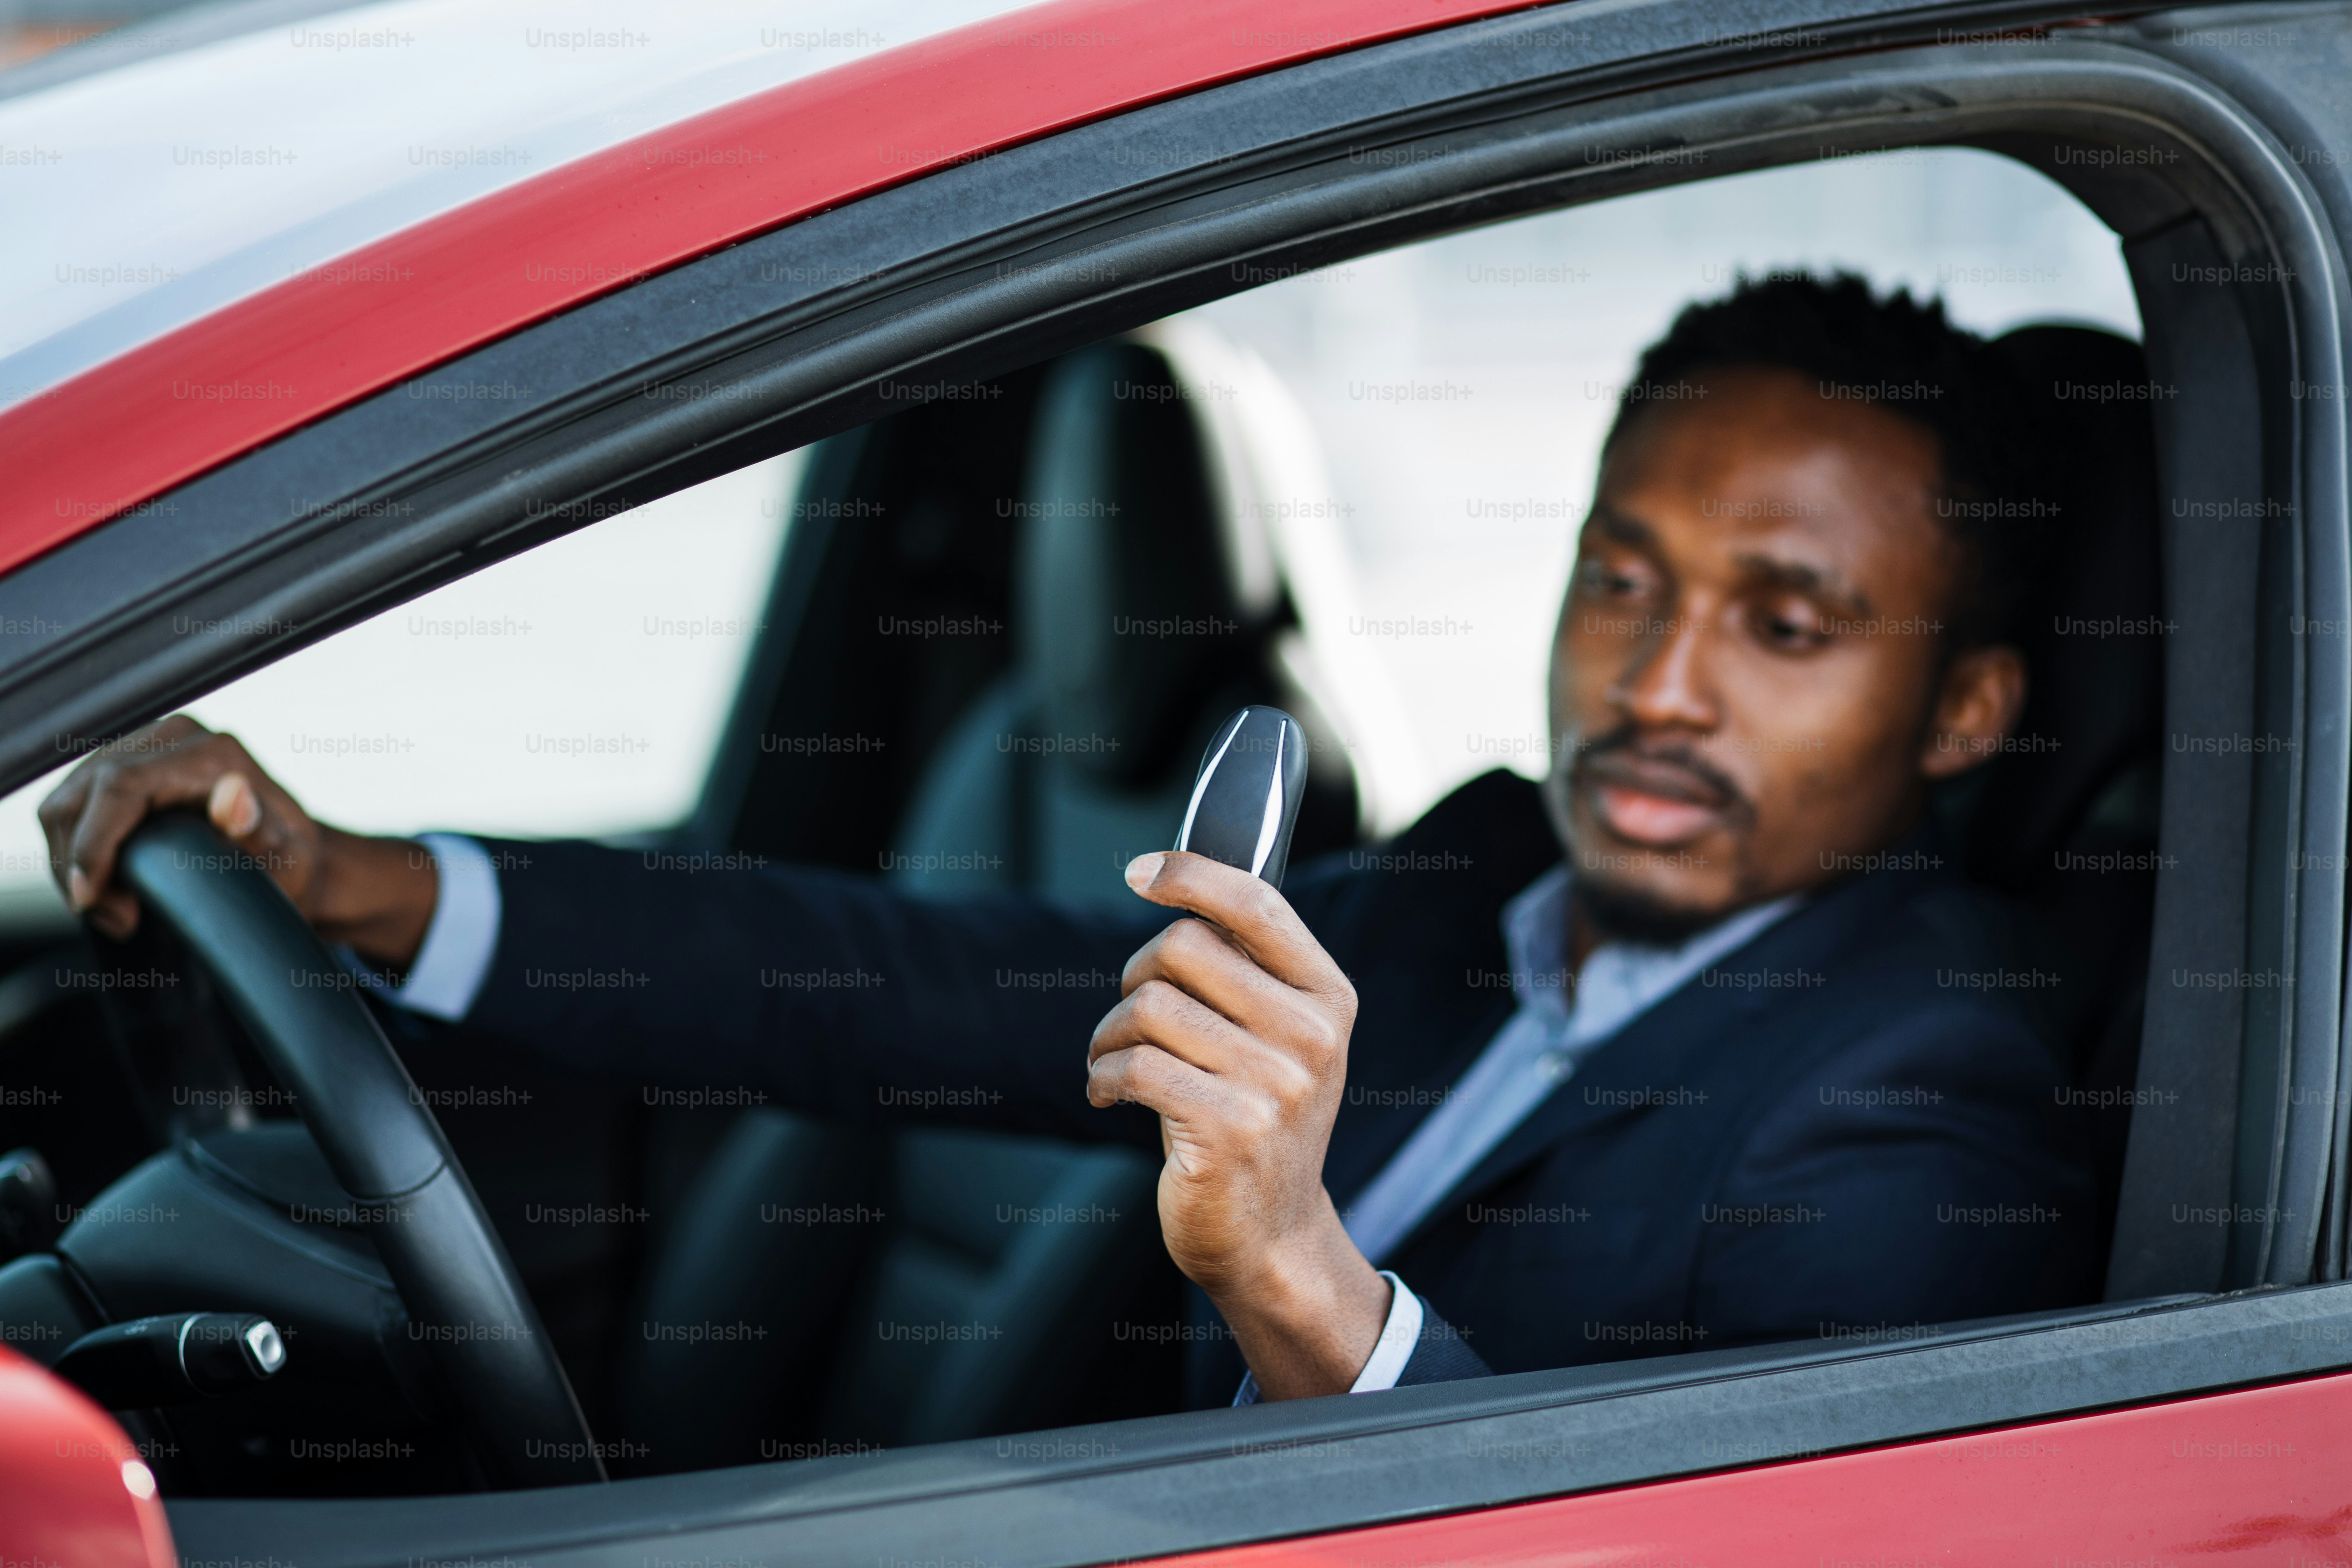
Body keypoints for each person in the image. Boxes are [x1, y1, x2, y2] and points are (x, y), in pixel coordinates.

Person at [41, 273, 2097, 1407]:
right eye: (1624, 582)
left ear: (1971, 712)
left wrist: (1303, 1278)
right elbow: (902, 986)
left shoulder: (1929, 1099)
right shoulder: (1480, 887)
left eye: (1788, 623)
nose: (1660, 683)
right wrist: (363, 882)